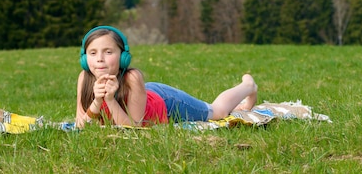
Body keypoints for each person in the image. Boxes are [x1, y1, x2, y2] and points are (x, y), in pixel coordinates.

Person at [75, 26, 258, 128]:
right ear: (84, 59)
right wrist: (97, 101)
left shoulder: (131, 78)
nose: (99, 59)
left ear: (123, 57)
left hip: (166, 101)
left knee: (216, 112)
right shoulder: (85, 78)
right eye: (92, 53)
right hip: (143, 96)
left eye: (108, 52)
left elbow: (135, 127)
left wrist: (110, 100)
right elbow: (80, 125)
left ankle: (248, 86)